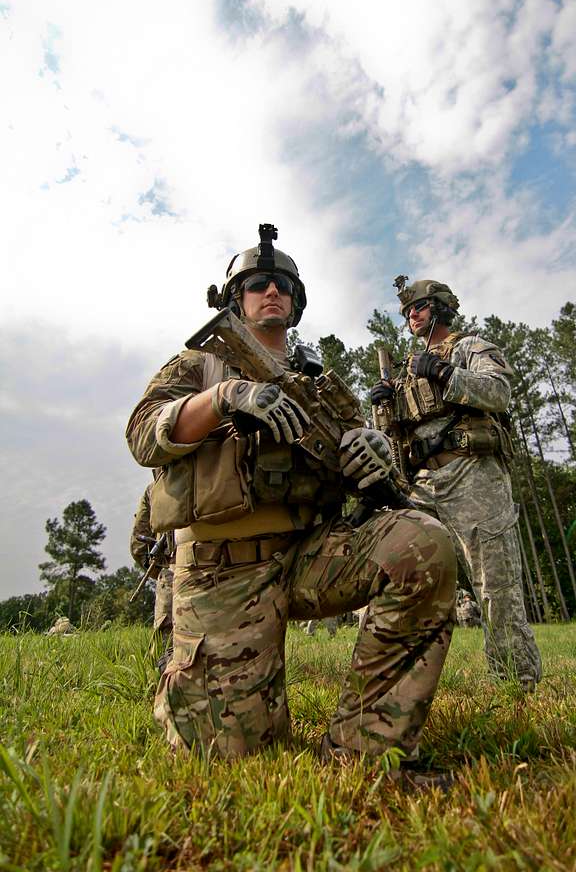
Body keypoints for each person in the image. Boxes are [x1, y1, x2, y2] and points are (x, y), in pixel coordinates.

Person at [126, 226, 458, 778]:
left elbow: (368, 470)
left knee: (422, 544)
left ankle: (366, 751)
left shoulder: (321, 386)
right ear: (238, 299)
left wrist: (373, 453)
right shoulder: (197, 364)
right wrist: (225, 398)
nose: (271, 291)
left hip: (309, 556)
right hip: (221, 573)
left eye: (283, 284)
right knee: (230, 759)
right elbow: (141, 433)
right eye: (257, 284)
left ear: (297, 302)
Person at [371, 277, 542, 690]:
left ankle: (514, 686)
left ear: (442, 309)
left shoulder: (469, 347)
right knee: (403, 573)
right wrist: (380, 404)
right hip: (420, 483)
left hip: (472, 474)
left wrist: (447, 372)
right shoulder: (405, 372)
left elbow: (499, 392)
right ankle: (404, 688)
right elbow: (391, 440)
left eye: (420, 306)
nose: (412, 314)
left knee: (495, 585)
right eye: (408, 310)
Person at [130, 484, 174, 637]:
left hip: (172, 576)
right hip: (237, 570)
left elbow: (138, 546)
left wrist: (164, 570)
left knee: (166, 649)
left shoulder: (155, 488)